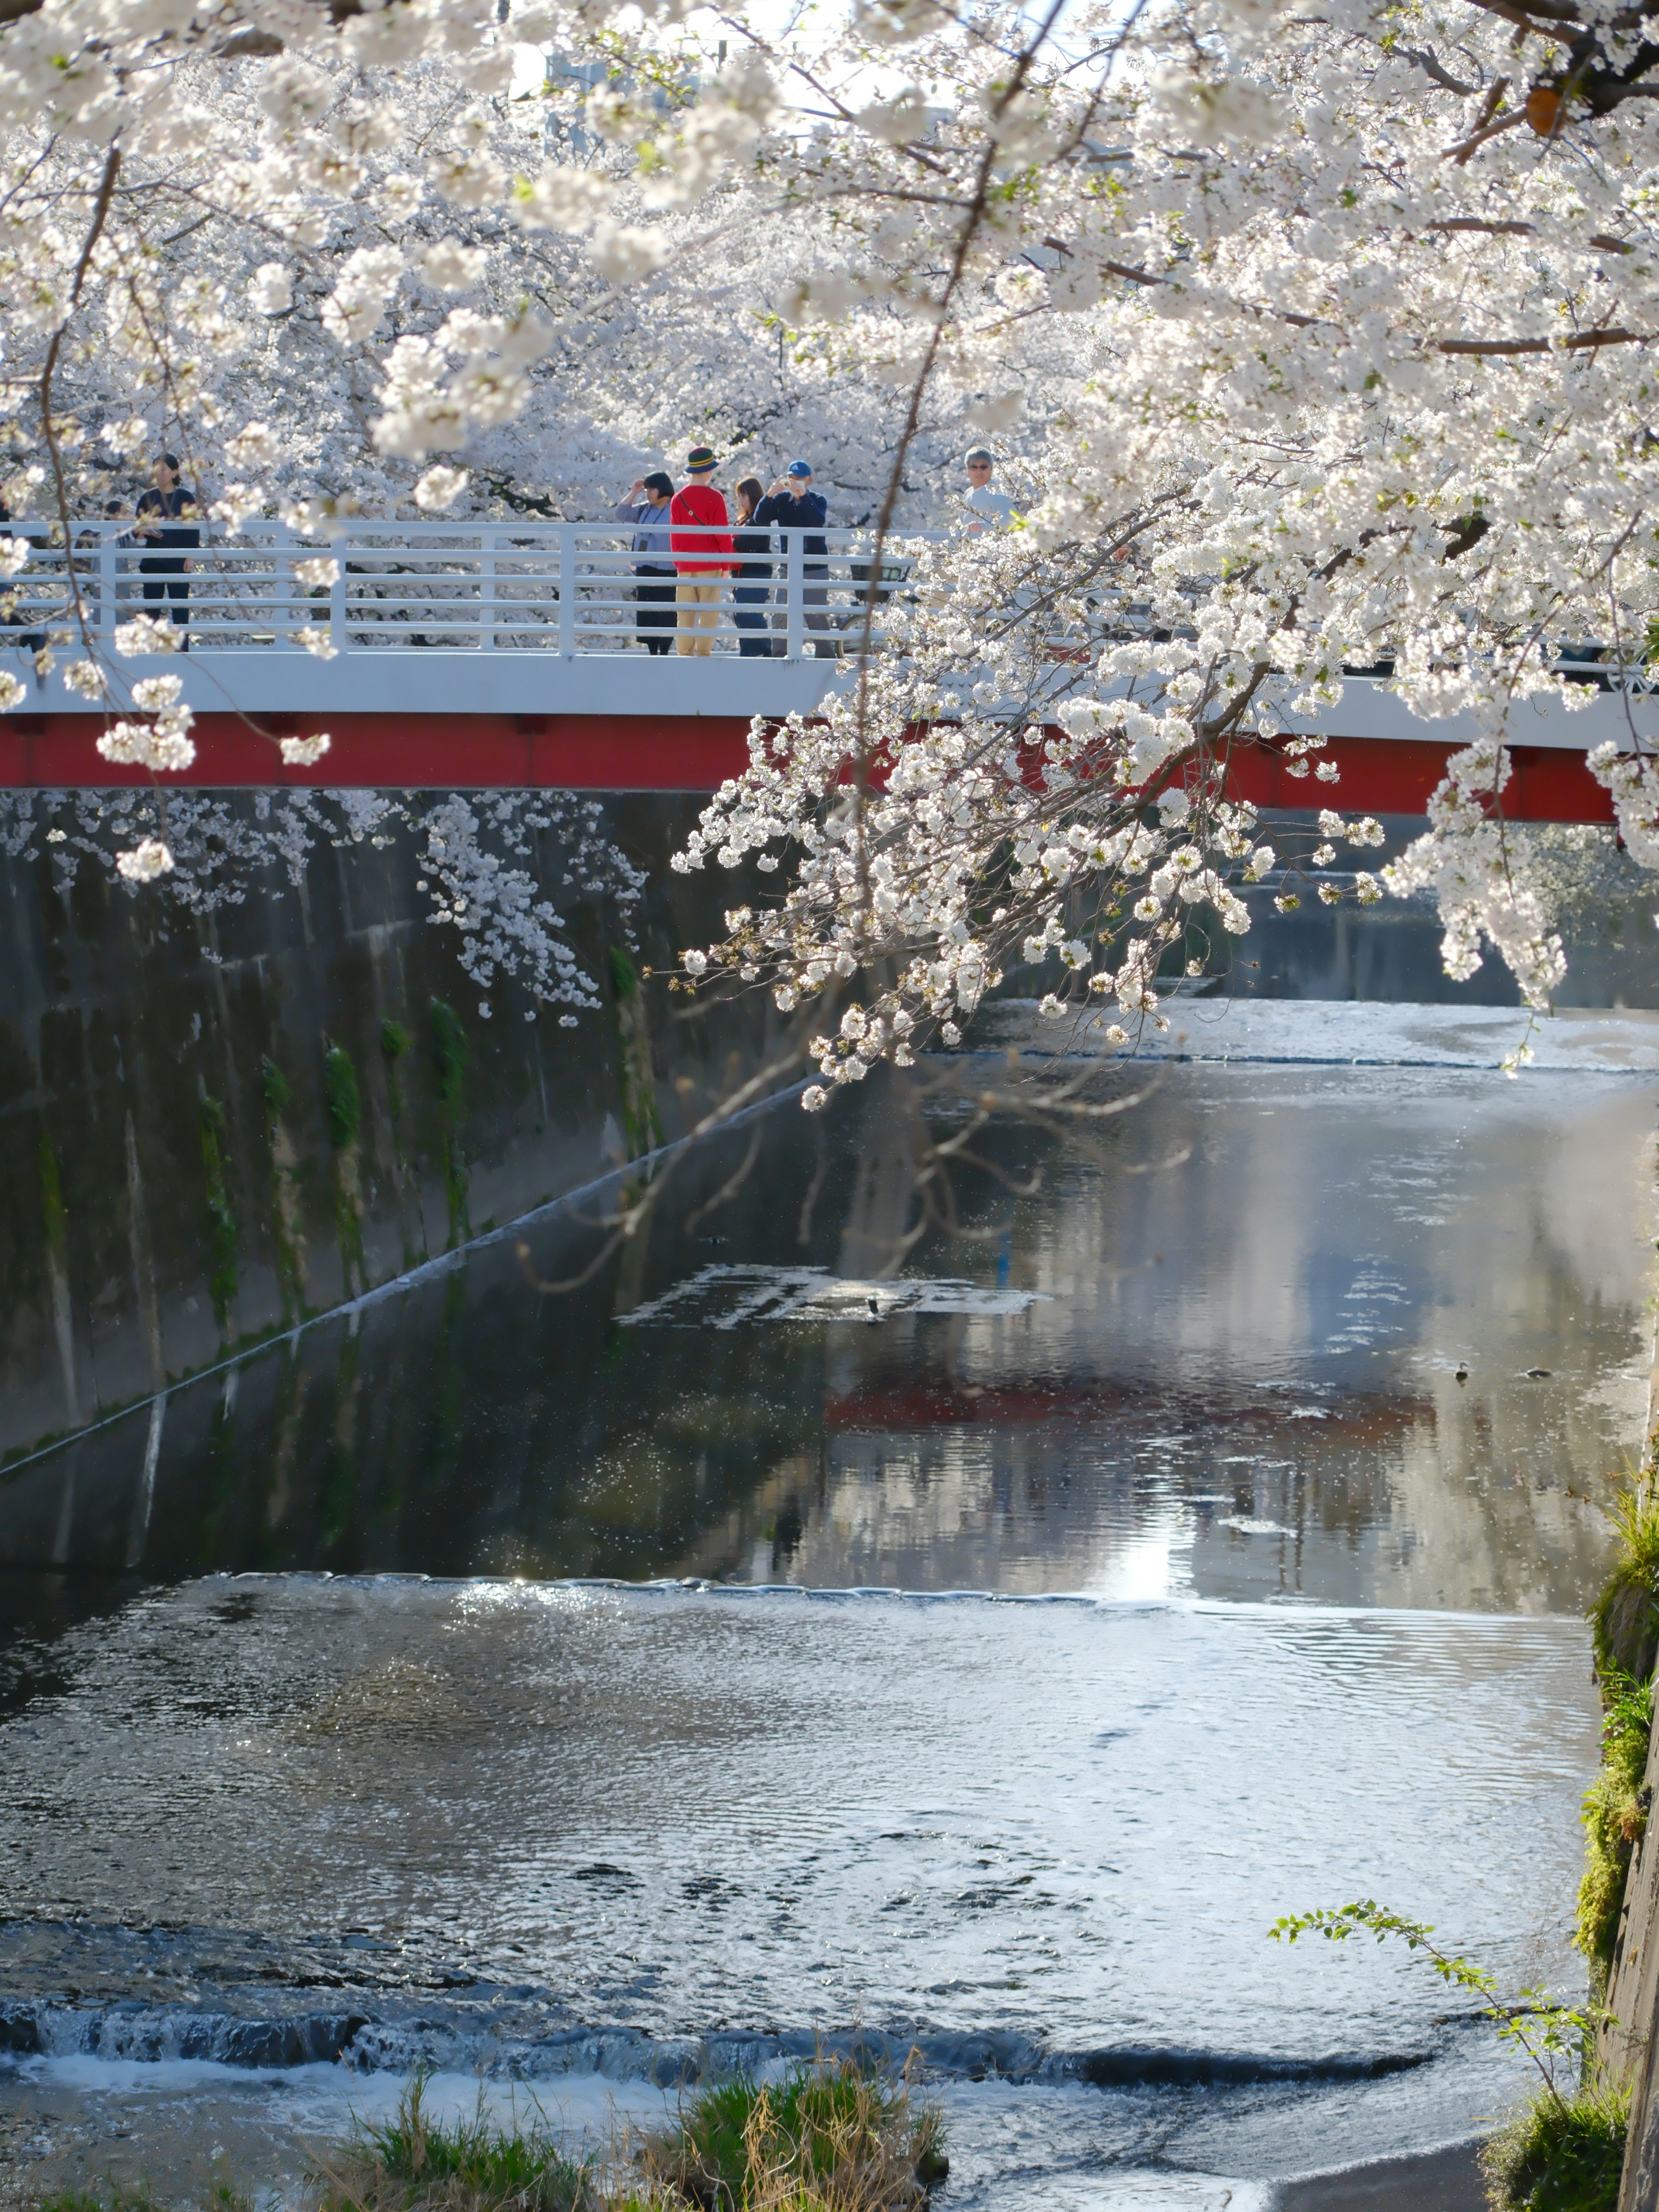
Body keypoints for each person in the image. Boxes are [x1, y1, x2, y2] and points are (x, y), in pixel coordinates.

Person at [755, 461, 833, 657]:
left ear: (810, 480)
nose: (795, 482)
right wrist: (770, 494)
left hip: (815, 566)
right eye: (792, 478)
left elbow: (818, 520)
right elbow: (760, 518)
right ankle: (779, 654)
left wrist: (803, 497)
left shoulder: (818, 499)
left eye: (799, 478)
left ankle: (825, 655)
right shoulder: (781, 501)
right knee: (781, 612)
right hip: (788, 566)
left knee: (815, 615)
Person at [668, 446, 734, 656]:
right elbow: (722, 536)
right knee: (708, 614)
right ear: (708, 470)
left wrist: (680, 564)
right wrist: (726, 567)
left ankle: (684, 655)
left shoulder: (678, 499)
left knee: (685, 616)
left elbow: (675, 537)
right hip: (710, 564)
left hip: (686, 565)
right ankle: (704, 654)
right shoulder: (715, 498)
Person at [134, 454, 200, 647]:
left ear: (175, 472)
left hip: (178, 560)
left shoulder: (185, 497)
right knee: (152, 610)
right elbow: (136, 529)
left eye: (163, 470)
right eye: (156, 470)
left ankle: (183, 650)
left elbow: (194, 528)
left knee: (180, 608)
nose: (159, 474)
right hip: (153, 559)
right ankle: (151, 649)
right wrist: (144, 531)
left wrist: (190, 555)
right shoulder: (148, 497)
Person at [613, 471, 676, 654]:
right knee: (647, 608)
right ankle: (652, 649)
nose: (648, 493)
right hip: (645, 566)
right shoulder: (644, 509)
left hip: (668, 567)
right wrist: (634, 492)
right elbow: (621, 513)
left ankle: (664, 648)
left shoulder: (675, 508)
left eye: (652, 489)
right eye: (647, 490)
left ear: (663, 488)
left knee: (666, 609)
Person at [730, 477, 774, 658]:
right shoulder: (744, 519)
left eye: (744, 496)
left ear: (753, 496)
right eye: (739, 496)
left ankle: (764, 650)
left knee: (750, 613)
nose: (740, 501)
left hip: (755, 571)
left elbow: (746, 544)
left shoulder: (760, 517)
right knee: (740, 613)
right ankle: (749, 651)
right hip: (742, 572)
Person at [963, 447, 1015, 531]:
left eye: (983, 467)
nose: (979, 472)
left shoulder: (995, 492)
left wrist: (983, 527)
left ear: (991, 468)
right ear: (967, 469)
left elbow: (1011, 518)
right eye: (974, 467)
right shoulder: (968, 493)